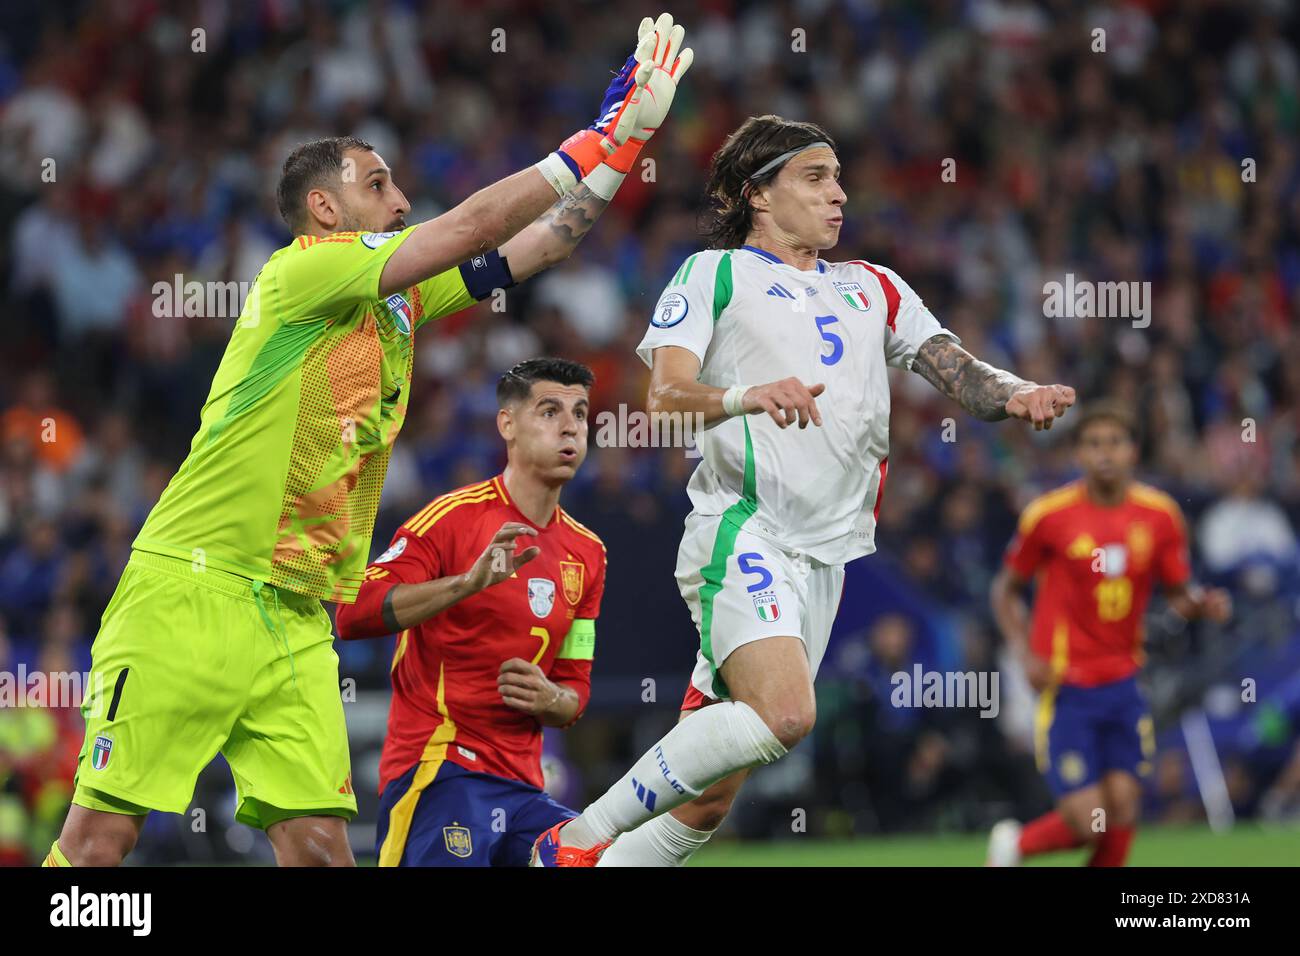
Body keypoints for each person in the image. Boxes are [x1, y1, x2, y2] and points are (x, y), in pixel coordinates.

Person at [44, 13, 691, 867]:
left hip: (297, 614)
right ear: (325, 207)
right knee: (100, 842)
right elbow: (469, 228)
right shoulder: (301, 272)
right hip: (195, 591)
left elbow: (532, 247)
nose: (400, 199)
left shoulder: (397, 303)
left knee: (320, 849)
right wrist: (597, 129)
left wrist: (627, 142)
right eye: (378, 184)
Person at [532, 113, 1075, 867]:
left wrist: (1017, 395)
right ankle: (573, 839)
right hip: (743, 526)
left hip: (824, 558)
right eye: (816, 177)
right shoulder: (713, 274)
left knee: (713, 790)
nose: (839, 194)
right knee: (786, 713)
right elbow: (664, 396)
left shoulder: (874, 287)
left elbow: (956, 366)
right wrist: (746, 395)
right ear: (759, 194)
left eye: (840, 177)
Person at [336, 359, 605, 866]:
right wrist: (466, 584)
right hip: (439, 771)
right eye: (549, 411)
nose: (570, 426)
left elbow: (576, 689)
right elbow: (352, 615)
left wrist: (551, 697)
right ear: (507, 425)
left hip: (525, 788)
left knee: (606, 857)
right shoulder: (452, 519)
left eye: (580, 413)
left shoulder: (588, 554)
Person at [986, 401, 1231, 866]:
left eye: (1114, 443)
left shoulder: (1159, 516)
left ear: (1133, 451)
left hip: (1123, 681)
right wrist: (1023, 652)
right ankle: (1014, 847)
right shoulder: (1049, 515)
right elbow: (1005, 589)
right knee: (1087, 819)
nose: (1105, 454)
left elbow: (1177, 591)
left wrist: (1200, 605)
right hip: (1066, 685)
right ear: (1077, 454)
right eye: (1093, 444)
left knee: (1122, 809)